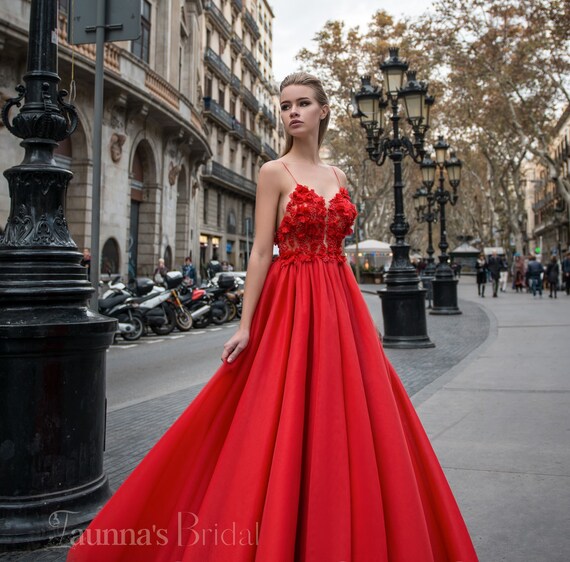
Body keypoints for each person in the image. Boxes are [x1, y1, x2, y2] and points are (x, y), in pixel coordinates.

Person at [67, 72, 478, 561]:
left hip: (339, 299)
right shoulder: (273, 172)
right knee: (276, 408)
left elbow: (341, 249)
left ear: (324, 111)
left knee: (350, 410)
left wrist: (354, 311)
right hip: (292, 296)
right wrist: (246, 324)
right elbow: (261, 252)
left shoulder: (340, 177)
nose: (293, 113)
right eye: (286, 106)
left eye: (303, 103)